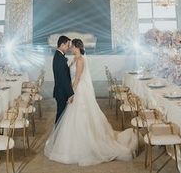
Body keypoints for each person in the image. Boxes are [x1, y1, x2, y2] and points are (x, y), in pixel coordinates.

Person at [44, 38, 137, 166]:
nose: (70, 48)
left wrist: (72, 93)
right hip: (72, 89)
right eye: (69, 45)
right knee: (71, 117)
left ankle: (85, 145)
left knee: (81, 116)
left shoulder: (81, 59)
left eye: (72, 46)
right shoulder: (74, 59)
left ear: (77, 47)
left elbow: (77, 79)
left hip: (79, 90)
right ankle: (68, 142)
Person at [52, 35, 74, 123]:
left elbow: (63, 74)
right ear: (62, 45)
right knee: (61, 115)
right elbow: (63, 79)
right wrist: (70, 93)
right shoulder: (59, 58)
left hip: (60, 90)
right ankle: (57, 135)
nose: (68, 47)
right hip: (61, 92)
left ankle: (58, 134)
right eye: (67, 45)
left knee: (61, 114)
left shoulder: (59, 56)